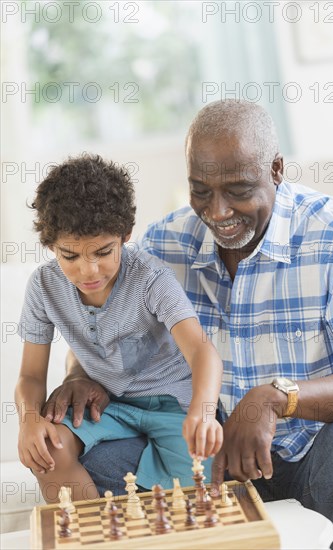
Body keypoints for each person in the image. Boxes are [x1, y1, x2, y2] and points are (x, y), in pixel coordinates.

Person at [42, 101, 333, 550]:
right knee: (103, 456)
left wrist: (276, 400)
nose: (217, 212)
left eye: (237, 190)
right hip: (198, 455)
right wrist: (78, 375)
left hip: (309, 455)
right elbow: (100, 330)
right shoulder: (161, 244)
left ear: (275, 170)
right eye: (200, 190)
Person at [15, 153, 223, 504]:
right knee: (48, 450)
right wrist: (29, 421)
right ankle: (92, 536)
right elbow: (31, 377)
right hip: (109, 404)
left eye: (103, 251)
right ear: (51, 246)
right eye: (70, 256)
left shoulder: (150, 278)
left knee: (196, 497)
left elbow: (203, 351)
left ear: (125, 235)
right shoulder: (43, 286)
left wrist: (204, 413)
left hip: (174, 404)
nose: (89, 270)